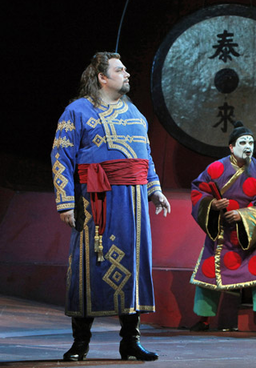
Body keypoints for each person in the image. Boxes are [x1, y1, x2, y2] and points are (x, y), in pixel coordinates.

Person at [51, 52, 171, 361]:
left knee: (133, 266)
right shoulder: (77, 112)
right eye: (120, 69)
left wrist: (155, 189)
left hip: (133, 206)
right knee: (88, 265)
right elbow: (61, 158)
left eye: (126, 68)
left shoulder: (135, 113)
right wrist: (66, 202)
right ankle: (81, 342)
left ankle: (130, 340)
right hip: (95, 202)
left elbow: (145, 157)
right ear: (103, 77)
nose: (127, 73)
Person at [189, 121, 256, 334]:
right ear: (231, 147)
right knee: (209, 273)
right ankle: (203, 320)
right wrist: (212, 205)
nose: (248, 146)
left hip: (251, 232)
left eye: (251, 142)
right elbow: (198, 192)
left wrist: (243, 216)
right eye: (242, 142)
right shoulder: (216, 168)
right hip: (221, 230)